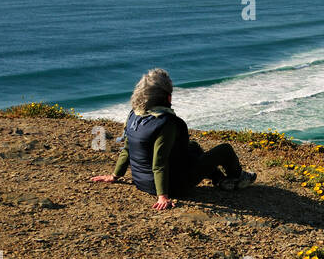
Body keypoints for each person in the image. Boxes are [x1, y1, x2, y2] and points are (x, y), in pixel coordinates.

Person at [90, 68, 256, 209]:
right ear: (167, 97)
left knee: (193, 146)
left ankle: (220, 180)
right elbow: (159, 162)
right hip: (174, 185)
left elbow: (127, 148)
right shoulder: (166, 122)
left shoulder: (134, 115)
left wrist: (114, 176)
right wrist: (163, 196)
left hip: (141, 181)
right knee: (225, 149)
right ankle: (238, 177)